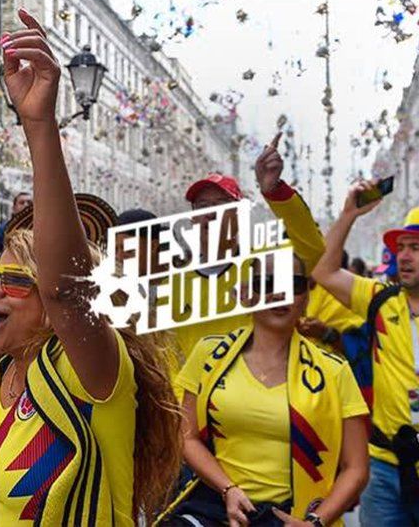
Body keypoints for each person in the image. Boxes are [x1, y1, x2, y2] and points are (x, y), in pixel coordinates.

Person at [0, 11, 181, 524]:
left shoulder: (91, 372)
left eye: (13, 281)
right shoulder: (0, 379)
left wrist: (39, 126)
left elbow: (67, 291)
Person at [165, 255, 369, 526]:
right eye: (267, 283)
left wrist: (314, 522)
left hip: (291, 516)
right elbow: (186, 437)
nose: (279, 293)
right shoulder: (208, 354)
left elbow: (356, 468)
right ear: (247, 295)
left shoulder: (335, 371)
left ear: (306, 297)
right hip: (215, 507)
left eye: (293, 284)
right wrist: (228, 489)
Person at [312, 183, 419, 525]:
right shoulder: (381, 299)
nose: (404, 256)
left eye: (415, 248)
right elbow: (323, 271)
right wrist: (348, 215)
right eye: (401, 247)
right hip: (385, 467)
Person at [173, 146, 326, 366]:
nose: (209, 213)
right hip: (191, 397)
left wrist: (275, 191)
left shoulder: (263, 266)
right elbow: (168, 351)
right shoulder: (174, 280)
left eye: (220, 205)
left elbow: (311, 248)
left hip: (255, 393)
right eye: (202, 206)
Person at [0, 192, 32, 261]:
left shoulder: (37, 229)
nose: (26, 205)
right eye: (22, 202)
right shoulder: (2, 230)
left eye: (29, 203)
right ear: (14, 208)